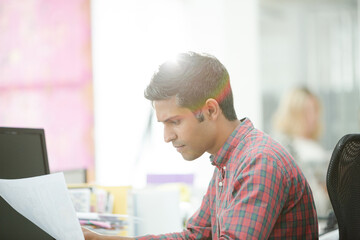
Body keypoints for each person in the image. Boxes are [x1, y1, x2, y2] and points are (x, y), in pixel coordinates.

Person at [83, 52, 318, 239]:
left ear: (210, 110)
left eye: (174, 122)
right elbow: (195, 235)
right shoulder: (227, 163)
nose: (167, 136)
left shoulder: (259, 161)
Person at [272, 87, 332, 219]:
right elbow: (317, 203)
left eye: (315, 110)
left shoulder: (314, 147)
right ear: (294, 113)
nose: (314, 117)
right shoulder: (287, 149)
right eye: (308, 111)